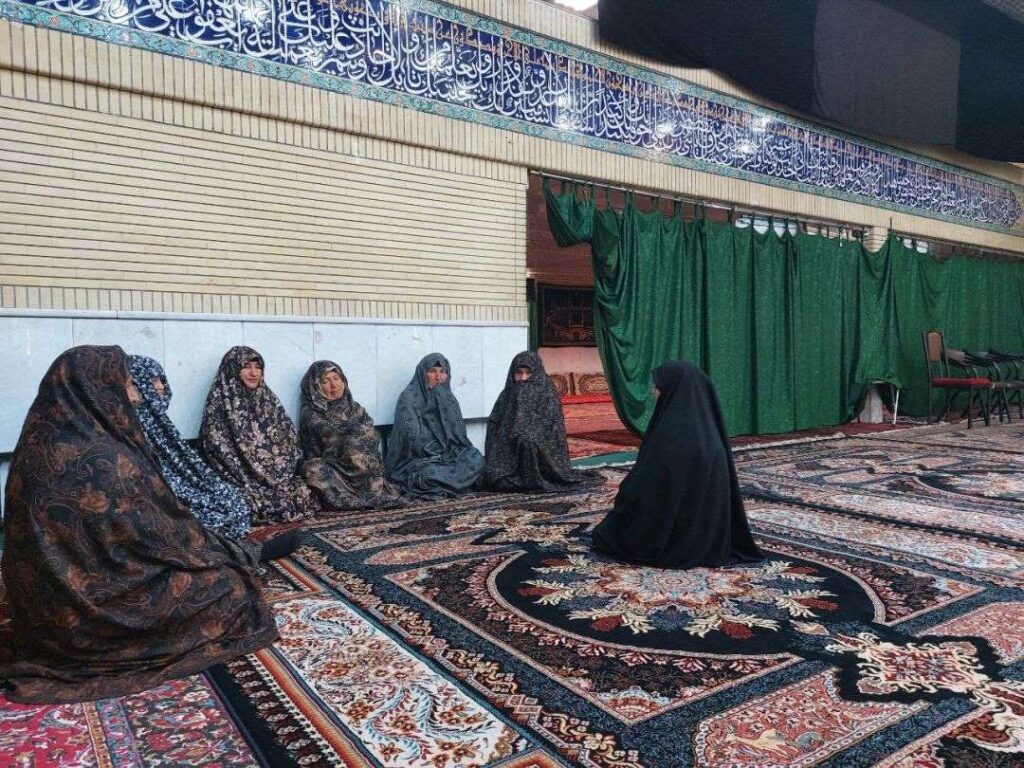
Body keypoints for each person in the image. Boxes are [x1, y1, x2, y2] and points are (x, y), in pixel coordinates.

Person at [0, 346, 278, 704]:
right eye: (130, 385)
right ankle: (245, 553)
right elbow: (153, 537)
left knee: (211, 546)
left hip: (45, 610)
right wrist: (204, 550)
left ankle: (244, 551)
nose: (135, 395)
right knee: (229, 586)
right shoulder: (103, 455)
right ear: (98, 389)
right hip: (97, 610)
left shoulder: (40, 441)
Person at [591, 361, 763, 568]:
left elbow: (645, 491)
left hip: (671, 538)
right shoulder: (710, 436)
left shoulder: (672, 437)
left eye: (658, 387)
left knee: (612, 529)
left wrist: (626, 493)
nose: (654, 391)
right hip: (709, 540)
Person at [129, 355, 254, 538]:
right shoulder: (133, 425)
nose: (161, 386)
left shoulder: (158, 421)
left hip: (194, 482)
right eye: (154, 380)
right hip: (166, 493)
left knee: (233, 499)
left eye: (162, 380)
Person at [200, 346, 320, 524]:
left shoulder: (268, 401)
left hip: (278, 477)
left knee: (303, 490)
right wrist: (256, 472)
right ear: (232, 370)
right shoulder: (218, 407)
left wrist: (277, 473)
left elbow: (289, 438)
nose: (254, 373)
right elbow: (218, 449)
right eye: (246, 367)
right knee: (237, 502)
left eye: (258, 367)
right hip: (242, 479)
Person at [483, 351, 598, 492]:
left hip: (541, 447)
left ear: (536, 373)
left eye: (528, 373)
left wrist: (527, 435)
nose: (523, 378)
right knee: (496, 480)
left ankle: (533, 478)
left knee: (528, 443)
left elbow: (552, 426)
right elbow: (495, 422)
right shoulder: (508, 393)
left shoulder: (547, 391)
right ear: (512, 373)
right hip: (508, 448)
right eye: (519, 373)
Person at [299, 360, 402, 509]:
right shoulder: (311, 412)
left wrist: (358, 435)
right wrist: (354, 434)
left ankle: (369, 493)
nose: (333, 385)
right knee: (313, 470)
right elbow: (329, 433)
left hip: (359, 466)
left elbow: (370, 430)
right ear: (315, 387)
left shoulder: (354, 407)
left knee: (365, 450)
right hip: (333, 467)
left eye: (336, 378)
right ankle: (352, 498)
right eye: (325, 381)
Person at [384, 353, 484, 499]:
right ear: (423, 374)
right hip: (422, 458)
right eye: (432, 371)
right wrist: (438, 450)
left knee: (476, 458)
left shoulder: (448, 398)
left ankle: (449, 484)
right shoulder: (409, 399)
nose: (438, 378)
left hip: (450, 454)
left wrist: (451, 450)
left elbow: (460, 437)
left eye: (442, 372)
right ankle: (455, 484)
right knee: (427, 475)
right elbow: (411, 437)